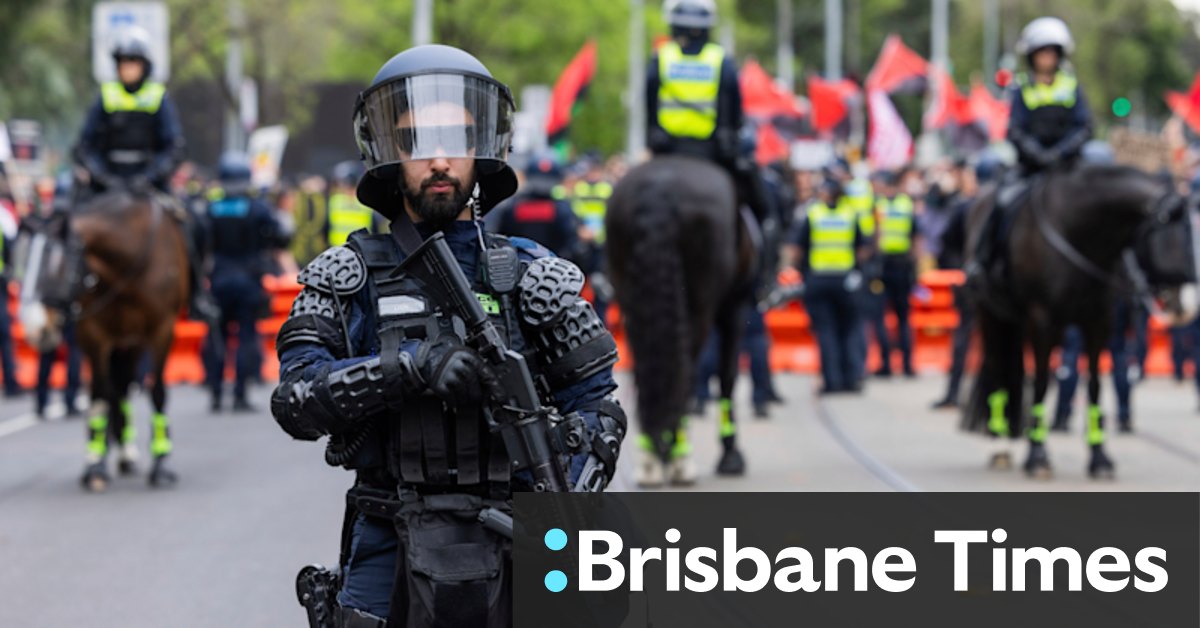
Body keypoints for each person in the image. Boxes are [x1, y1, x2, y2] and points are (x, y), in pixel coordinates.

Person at [271, 45, 624, 627]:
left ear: (483, 147)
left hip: (521, 535)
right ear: (387, 152)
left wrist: (571, 486)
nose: (439, 161)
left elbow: (601, 405)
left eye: (456, 142)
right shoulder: (347, 274)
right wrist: (408, 367)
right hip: (389, 534)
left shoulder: (534, 273)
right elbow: (295, 402)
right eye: (416, 142)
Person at [74, 25, 215, 321]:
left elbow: (174, 146)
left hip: (149, 184)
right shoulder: (105, 96)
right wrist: (104, 177)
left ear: (144, 66)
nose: (128, 69)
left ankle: (197, 295)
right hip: (107, 185)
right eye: (123, 63)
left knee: (194, 223)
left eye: (133, 62)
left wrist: (149, 177)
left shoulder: (158, 97)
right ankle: (67, 299)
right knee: (69, 226)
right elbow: (84, 146)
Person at [973, 16, 1091, 279]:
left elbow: (1084, 127)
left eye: (1052, 51)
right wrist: (1037, 154)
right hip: (1030, 167)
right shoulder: (1021, 88)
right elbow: (1014, 129)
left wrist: (1060, 153)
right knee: (1000, 201)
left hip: (1069, 165)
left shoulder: (1071, 86)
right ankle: (982, 262)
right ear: (1032, 55)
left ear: (1059, 55)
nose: (1047, 57)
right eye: (1042, 52)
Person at [646, 0, 771, 226]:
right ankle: (763, 239)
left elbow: (649, 103)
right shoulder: (720, 60)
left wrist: (654, 137)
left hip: (667, 149)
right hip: (711, 151)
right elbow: (733, 108)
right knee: (759, 206)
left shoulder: (661, 57)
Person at [204, 152, 289, 412]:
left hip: (218, 280)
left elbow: (200, 241)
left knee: (217, 337)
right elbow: (281, 236)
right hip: (249, 280)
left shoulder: (211, 208)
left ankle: (216, 393)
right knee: (246, 337)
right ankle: (240, 394)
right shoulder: (257, 207)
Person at [932, 153, 1000, 409]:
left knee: (965, 339)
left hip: (973, 283)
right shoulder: (981, 207)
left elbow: (946, 244)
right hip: (985, 285)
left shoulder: (967, 206)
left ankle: (955, 394)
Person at [791, 175, 867, 394]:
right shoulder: (850, 214)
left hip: (819, 280)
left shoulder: (814, 214)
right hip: (846, 281)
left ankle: (831, 382)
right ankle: (851, 380)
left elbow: (797, 249)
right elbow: (862, 248)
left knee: (826, 332)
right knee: (849, 331)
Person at [484, 154, 583, 263]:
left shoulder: (512, 206)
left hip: (517, 268)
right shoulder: (562, 208)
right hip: (555, 268)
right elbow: (573, 244)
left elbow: (496, 237)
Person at [872, 170, 918, 378]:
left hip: (883, 267)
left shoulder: (879, 207)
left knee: (881, 317)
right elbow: (917, 238)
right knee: (904, 318)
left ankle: (886, 365)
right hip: (903, 266)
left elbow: (874, 236)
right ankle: (908, 366)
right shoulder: (907, 205)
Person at [327, 160, 381, 247]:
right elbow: (375, 231)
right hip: (362, 252)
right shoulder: (365, 203)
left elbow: (325, 228)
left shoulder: (334, 201)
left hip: (338, 251)